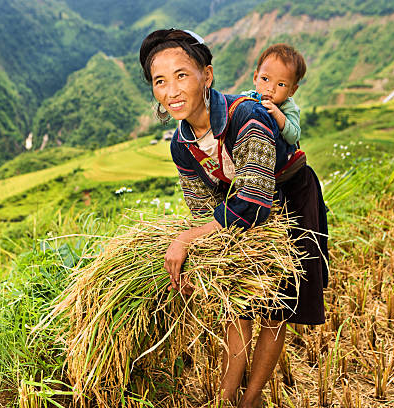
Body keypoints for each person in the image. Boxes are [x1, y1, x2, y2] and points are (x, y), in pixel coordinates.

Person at [139, 29, 328, 408]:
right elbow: (201, 208)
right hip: (234, 208)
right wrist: (202, 253)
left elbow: (256, 202)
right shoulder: (182, 143)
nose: (171, 90)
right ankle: (226, 400)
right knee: (237, 300)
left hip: (288, 198)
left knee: (278, 305)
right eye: (160, 81)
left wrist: (186, 240)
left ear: (206, 76)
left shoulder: (248, 116)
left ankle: (250, 399)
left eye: (182, 75)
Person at [243, 43, 306, 147]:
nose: (271, 89)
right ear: (255, 77)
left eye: (281, 84)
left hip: (279, 153)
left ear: (292, 91)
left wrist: (278, 115)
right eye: (265, 79)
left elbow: (294, 137)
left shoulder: (287, 106)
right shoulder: (247, 96)